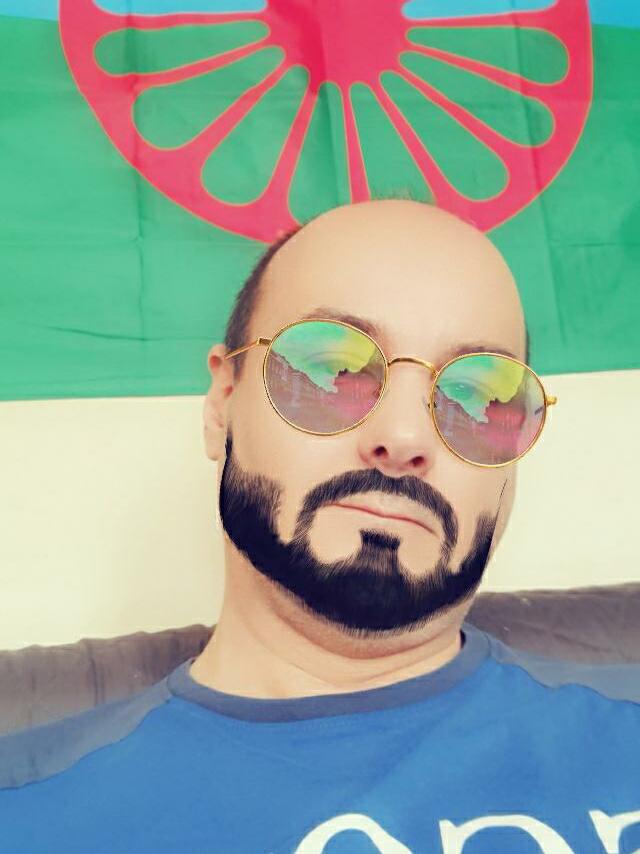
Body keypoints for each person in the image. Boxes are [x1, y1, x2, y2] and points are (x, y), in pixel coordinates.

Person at [1, 197, 638, 854]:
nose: (405, 437)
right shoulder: (27, 813)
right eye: (333, 371)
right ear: (223, 406)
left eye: (479, 395)